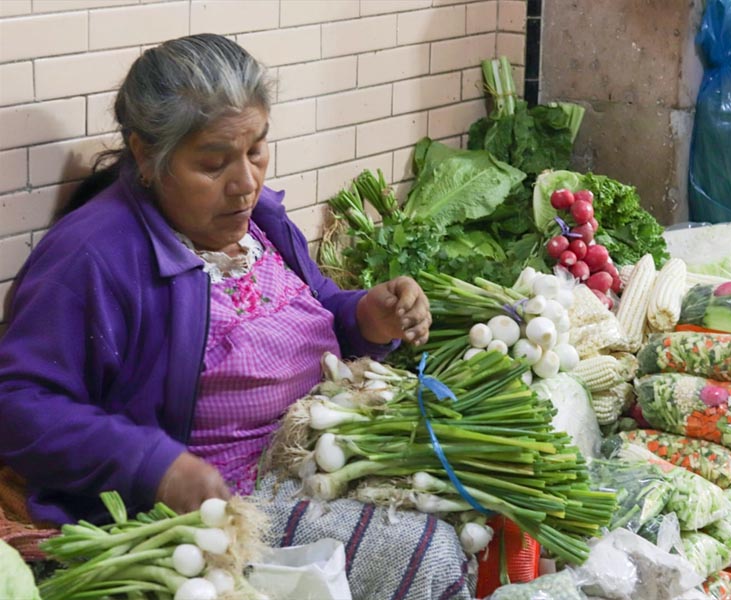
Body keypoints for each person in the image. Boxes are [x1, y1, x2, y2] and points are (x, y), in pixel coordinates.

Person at [0, 33, 472, 598]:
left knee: (474, 495)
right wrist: (157, 466)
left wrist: (368, 318)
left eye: (256, 150)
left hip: (314, 459)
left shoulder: (260, 223)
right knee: (426, 555)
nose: (246, 182)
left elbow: (319, 308)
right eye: (214, 162)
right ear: (148, 156)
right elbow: (18, 403)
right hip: (235, 504)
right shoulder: (94, 257)